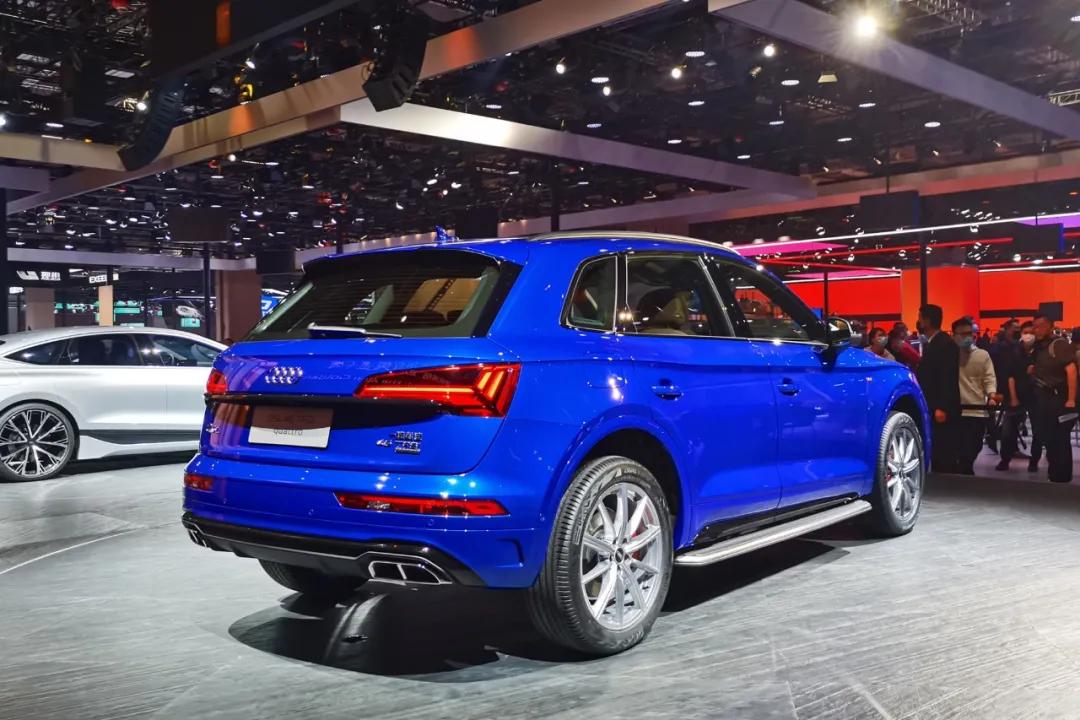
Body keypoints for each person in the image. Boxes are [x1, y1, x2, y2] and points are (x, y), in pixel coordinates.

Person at [1027, 314, 1078, 483]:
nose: (1036, 329)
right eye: (1035, 326)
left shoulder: (1059, 344)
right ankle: (1054, 474)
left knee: (1060, 439)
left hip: (1059, 399)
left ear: (1050, 326)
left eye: (1040, 326)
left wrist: (1071, 399)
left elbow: (1071, 371)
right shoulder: (1039, 347)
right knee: (1048, 438)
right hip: (1044, 399)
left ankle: (1061, 477)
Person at [916, 304, 961, 473]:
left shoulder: (945, 344)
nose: (919, 322)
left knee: (944, 450)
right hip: (932, 404)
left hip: (940, 407)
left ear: (927, 320)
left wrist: (942, 406)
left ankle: (946, 480)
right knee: (937, 450)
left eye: (920, 318)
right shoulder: (933, 343)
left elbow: (947, 377)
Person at [953, 317, 998, 475]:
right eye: (962, 334)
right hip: (956, 410)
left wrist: (991, 395)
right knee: (959, 448)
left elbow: (989, 377)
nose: (967, 337)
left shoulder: (982, 355)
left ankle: (966, 469)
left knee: (974, 446)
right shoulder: (950, 356)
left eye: (969, 333)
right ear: (954, 336)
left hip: (977, 409)